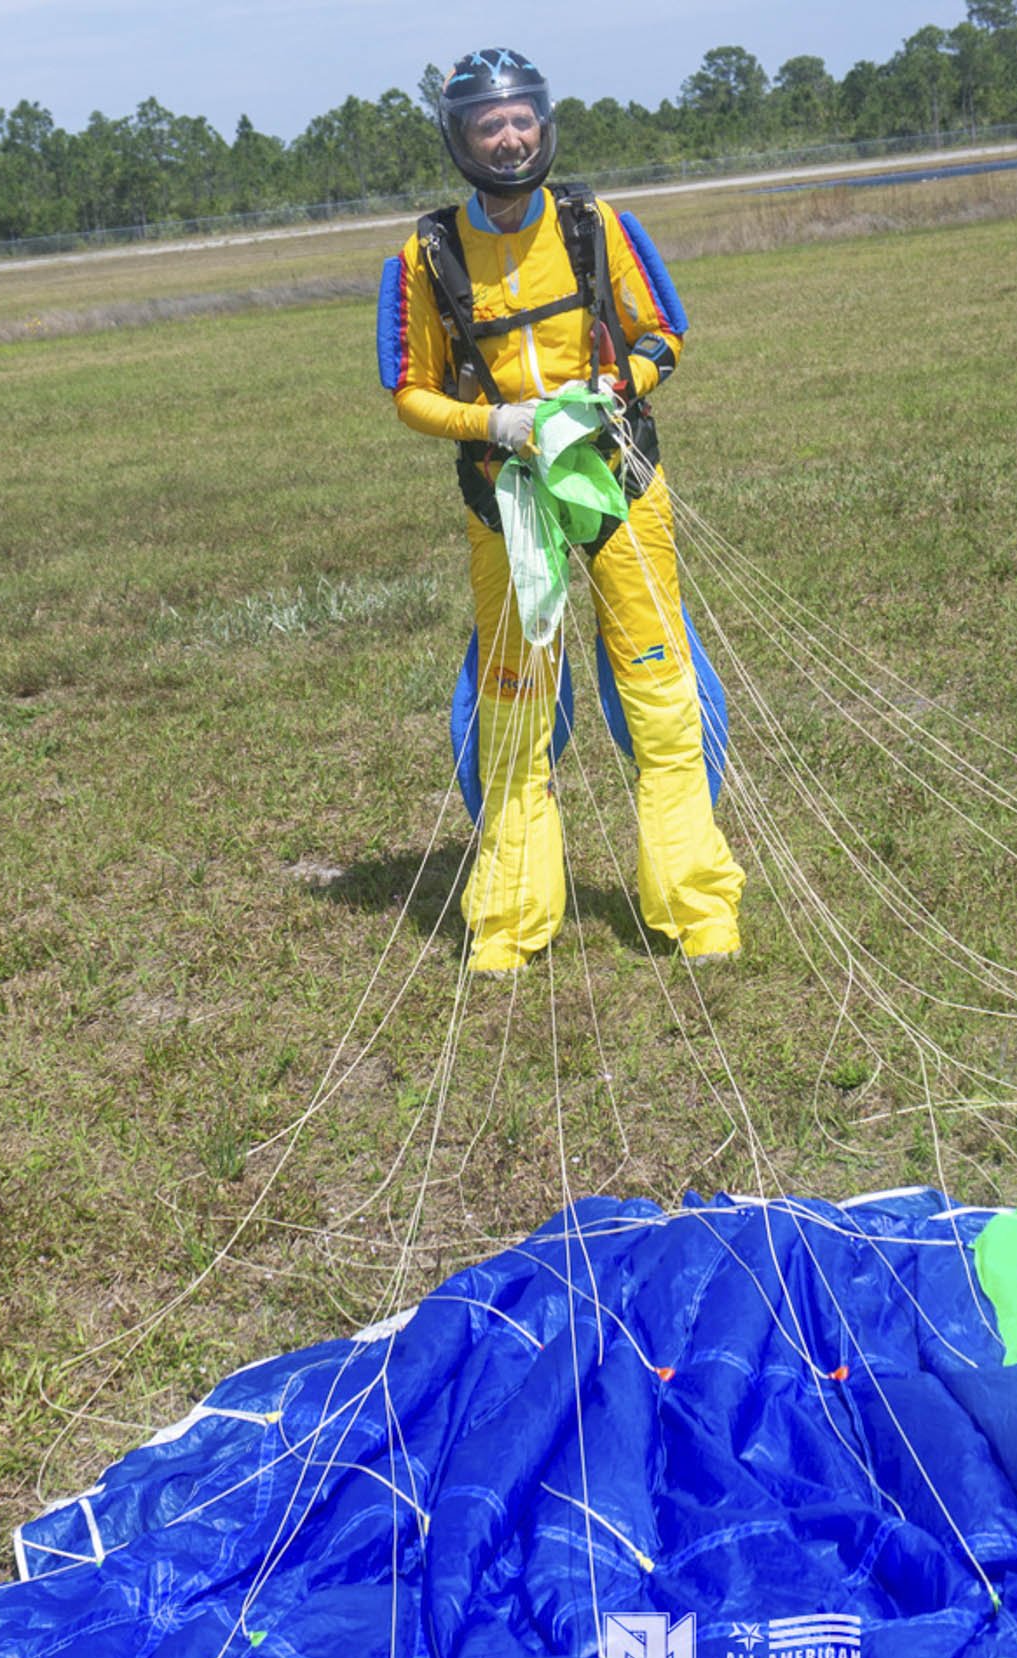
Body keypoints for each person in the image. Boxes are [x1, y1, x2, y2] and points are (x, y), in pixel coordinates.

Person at [377, 47, 744, 976]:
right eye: (487, 124)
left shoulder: (596, 224)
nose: (509, 137)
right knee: (512, 701)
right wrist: (493, 419)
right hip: (506, 500)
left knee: (658, 688)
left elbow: (667, 330)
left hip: (616, 480)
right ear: (460, 140)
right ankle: (509, 921)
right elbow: (410, 389)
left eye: (520, 119)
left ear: (544, 123)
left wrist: (625, 386)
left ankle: (697, 907)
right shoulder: (427, 256)